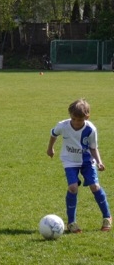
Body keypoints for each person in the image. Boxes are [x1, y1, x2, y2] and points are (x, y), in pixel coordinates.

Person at [47, 98, 111, 233]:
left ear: (87, 117)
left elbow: (93, 148)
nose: (76, 122)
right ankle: (71, 223)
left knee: (95, 186)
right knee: (73, 187)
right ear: (70, 115)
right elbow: (53, 134)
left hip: (87, 161)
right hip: (69, 161)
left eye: (80, 120)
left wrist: (99, 161)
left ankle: (107, 217)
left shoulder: (91, 129)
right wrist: (50, 148)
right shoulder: (63, 126)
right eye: (74, 119)